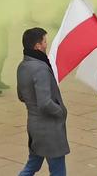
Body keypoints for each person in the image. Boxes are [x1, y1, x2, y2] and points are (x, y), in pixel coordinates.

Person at [17, 28, 69, 176]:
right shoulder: (41, 68)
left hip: (34, 127)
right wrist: (61, 112)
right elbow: (45, 103)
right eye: (45, 41)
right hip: (49, 129)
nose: (47, 44)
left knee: (32, 165)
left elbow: (21, 95)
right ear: (38, 46)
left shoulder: (22, 66)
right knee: (58, 171)